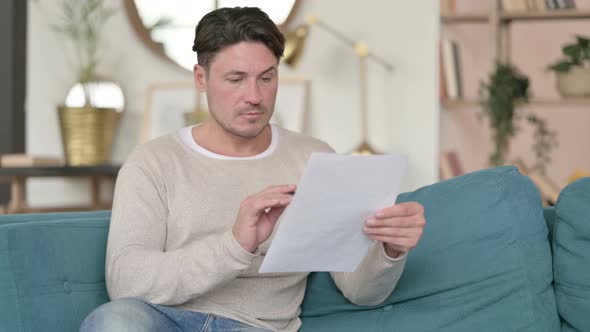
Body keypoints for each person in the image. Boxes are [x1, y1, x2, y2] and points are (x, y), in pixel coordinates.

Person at [80, 6, 425, 332]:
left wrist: (389, 251)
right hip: (162, 320)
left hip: (256, 326)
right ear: (201, 78)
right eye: (236, 79)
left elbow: (360, 290)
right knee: (115, 322)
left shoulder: (312, 158)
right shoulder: (152, 163)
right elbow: (126, 281)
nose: (254, 96)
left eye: (266, 78)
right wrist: (235, 245)